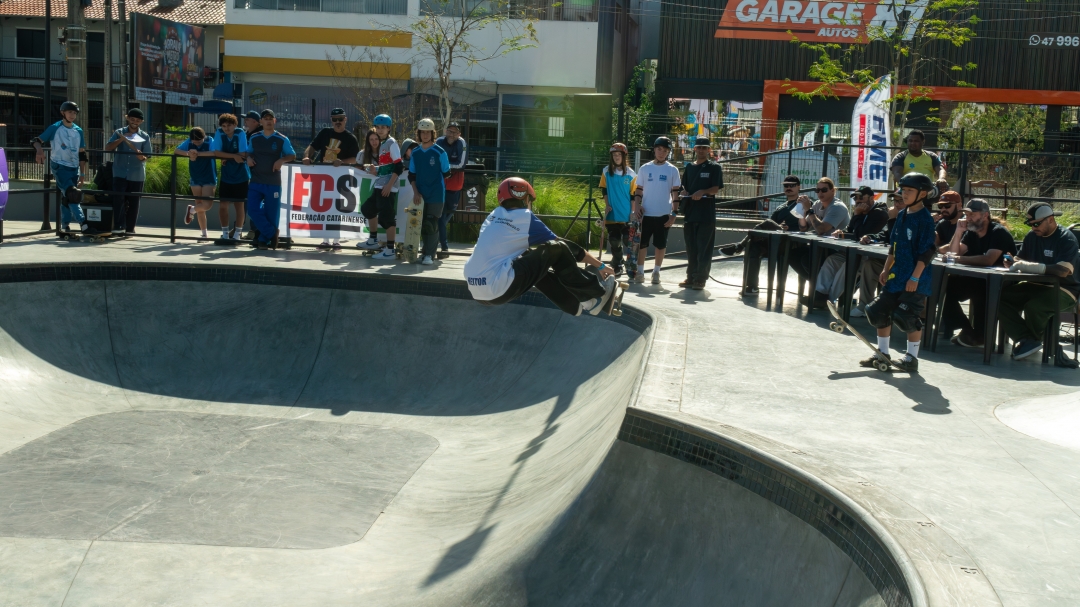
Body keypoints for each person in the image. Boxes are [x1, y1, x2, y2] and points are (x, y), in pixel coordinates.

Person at [464, 177, 617, 316]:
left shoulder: (492, 216)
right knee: (556, 248)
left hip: (476, 289)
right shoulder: (525, 217)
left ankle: (575, 304)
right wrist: (600, 265)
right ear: (525, 199)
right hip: (499, 285)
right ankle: (594, 295)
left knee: (530, 258)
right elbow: (567, 247)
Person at [862, 173, 938, 373]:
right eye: (903, 190)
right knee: (879, 312)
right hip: (896, 275)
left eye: (909, 191)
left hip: (915, 278)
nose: (904, 194)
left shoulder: (925, 220)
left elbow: (927, 252)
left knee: (907, 316)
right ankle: (882, 353)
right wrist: (886, 269)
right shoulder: (902, 215)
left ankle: (911, 357)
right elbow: (893, 247)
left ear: (922, 193)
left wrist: (915, 277)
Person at [1000, 203, 1080, 360]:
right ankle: (1027, 339)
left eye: (1036, 224)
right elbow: (1021, 259)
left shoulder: (1066, 239)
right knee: (999, 298)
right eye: (1030, 224)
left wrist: (1027, 266)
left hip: (1065, 289)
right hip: (1035, 284)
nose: (1033, 227)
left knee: (1035, 306)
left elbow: (1063, 271)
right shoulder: (1032, 236)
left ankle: (1032, 342)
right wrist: (1012, 262)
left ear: (1050, 220)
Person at [941, 198, 1017, 348]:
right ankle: (968, 330)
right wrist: (958, 232)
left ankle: (980, 335)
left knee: (979, 290)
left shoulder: (998, 232)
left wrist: (957, 259)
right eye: (966, 215)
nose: (968, 219)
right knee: (945, 286)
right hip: (977, 279)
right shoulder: (971, 233)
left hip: (1000, 282)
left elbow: (988, 259)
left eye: (972, 215)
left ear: (985, 215)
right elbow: (954, 252)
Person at [722, 175, 803, 295]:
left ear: (798, 187)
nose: (789, 188)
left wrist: (788, 228)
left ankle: (739, 246)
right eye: (786, 185)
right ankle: (752, 287)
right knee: (753, 247)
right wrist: (778, 228)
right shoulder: (781, 207)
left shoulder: (803, 203)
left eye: (792, 185)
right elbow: (769, 227)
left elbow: (806, 225)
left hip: (792, 241)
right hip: (775, 240)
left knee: (767, 222)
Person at [808, 186, 889, 306]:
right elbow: (851, 229)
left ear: (872, 198)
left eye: (861, 197)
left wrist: (857, 214)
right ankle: (819, 294)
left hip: (869, 256)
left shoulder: (879, 213)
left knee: (847, 266)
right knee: (832, 260)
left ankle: (829, 300)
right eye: (856, 198)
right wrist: (841, 232)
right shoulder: (861, 212)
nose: (858, 201)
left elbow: (861, 234)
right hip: (855, 253)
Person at [305, 107, 360, 249]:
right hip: (323, 177)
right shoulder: (325, 133)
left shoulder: (350, 138)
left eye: (340, 119)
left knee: (337, 209)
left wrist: (342, 162)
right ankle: (325, 240)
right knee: (322, 207)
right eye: (334, 120)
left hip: (341, 179)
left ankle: (336, 240)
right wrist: (306, 157)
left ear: (345, 119)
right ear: (331, 120)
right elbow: (312, 147)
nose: (337, 122)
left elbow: (355, 158)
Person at [33, 101, 89, 234]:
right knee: (73, 194)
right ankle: (84, 223)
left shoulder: (78, 130)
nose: (72, 115)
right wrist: (39, 150)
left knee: (67, 197)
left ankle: (64, 225)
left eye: (74, 113)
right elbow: (36, 141)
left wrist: (82, 175)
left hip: (73, 167)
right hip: (59, 166)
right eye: (70, 112)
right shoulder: (55, 128)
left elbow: (82, 154)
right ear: (63, 113)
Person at [632, 136, 681, 284]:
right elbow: (638, 190)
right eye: (659, 149)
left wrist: (673, 213)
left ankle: (656, 272)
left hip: (663, 214)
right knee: (642, 244)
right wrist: (637, 207)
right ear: (654, 149)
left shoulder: (672, 170)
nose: (661, 153)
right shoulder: (645, 168)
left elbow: (675, 194)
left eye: (665, 150)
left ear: (668, 153)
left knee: (661, 245)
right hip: (645, 213)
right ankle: (640, 271)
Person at [245, 109, 296, 250]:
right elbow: (248, 152)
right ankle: (272, 233)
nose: (268, 121)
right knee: (252, 209)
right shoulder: (254, 137)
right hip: (256, 180)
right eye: (265, 118)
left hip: (273, 182)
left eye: (270, 118)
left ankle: (264, 240)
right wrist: (248, 158)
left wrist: (282, 160)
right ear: (261, 121)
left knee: (271, 213)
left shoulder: (282, 139)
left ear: (274, 121)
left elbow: (292, 155)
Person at [679, 136, 723, 289]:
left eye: (705, 147)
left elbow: (715, 188)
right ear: (695, 149)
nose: (702, 150)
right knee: (691, 247)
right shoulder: (689, 167)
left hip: (706, 214)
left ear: (709, 150)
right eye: (699, 147)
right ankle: (691, 277)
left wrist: (703, 191)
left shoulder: (714, 167)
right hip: (690, 213)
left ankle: (700, 279)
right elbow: (683, 187)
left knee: (704, 248)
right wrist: (683, 192)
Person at [356, 114, 402, 259]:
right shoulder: (383, 143)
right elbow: (387, 167)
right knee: (367, 209)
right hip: (379, 184)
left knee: (387, 219)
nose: (380, 130)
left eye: (383, 127)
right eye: (378, 127)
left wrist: (389, 186)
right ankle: (373, 240)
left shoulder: (391, 143)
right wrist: (376, 169)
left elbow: (399, 166)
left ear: (389, 129)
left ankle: (390, 251)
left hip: (387, 187)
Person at [852, 192, 905, 317]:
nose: (897, 204)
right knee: (870, 264)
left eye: (900, 201)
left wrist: (892, 219)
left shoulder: (911, 217)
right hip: (891, 262)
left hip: (907, 266)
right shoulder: (897, 215)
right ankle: (864, 305)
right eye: (895, 201)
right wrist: (870, 237)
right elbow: (884, 234)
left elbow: (895, 240)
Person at [788, 177, 850, 280]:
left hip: (836, 249)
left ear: (832, 191)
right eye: (818, 190)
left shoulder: (837, 207)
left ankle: (818, 289)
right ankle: (816, 286)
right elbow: (804, 228)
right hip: (821, 246)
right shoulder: (817, 204)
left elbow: (822, 229)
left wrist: (810, 210)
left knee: (808, 259)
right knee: (793, 255)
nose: (820, 193)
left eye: (824, 190)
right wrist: (802, 212)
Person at [408, 118, 451, 266]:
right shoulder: (415, 152)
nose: (425, 135)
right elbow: (411, 175)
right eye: (422, 132)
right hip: (419, 193)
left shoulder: (440, 152)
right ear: (418, 134)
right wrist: (415, 192)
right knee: (419, 224)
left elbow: (447, 173)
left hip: (436, 194)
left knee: (431, 224)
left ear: (432, 133)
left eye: (428, 132)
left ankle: (430, 255)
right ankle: (424, 251)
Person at [103, 107, 150, 234]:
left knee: (134, 202)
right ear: (127, 118)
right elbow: (108, 148)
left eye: (138, 120)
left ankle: (130, 229)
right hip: (119, 172)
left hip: (137, 173)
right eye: (132, 119)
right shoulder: (119, 132)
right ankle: (119, 227)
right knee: (118, 199)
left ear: (141, 122)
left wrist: (142, 157)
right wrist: (122, 139)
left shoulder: (144, 136)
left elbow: (147, 156)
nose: (134, 122)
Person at [599, 142, 637, 276]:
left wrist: (633, 212)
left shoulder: (631, 174)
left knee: (628, 240)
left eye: (619, 154)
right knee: (614, 240)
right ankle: (617, 262)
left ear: (624, 156)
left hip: (626, 214)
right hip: (612, 213)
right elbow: (604, 189)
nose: (616, 157)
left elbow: (634, 195)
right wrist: (607, 204)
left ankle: (630, 263)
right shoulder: (606, 172)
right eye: (614, 155)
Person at [211, 113, 249, 241]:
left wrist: (225, 155)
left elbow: (244, 153)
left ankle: (238, 234)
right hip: (226, 176)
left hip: (241, 176)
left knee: (239, 205)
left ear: (235, 125)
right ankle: (225, 234)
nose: (226, 128)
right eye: (224, 126)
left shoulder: (240, 133)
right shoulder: (219, 133)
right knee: (223, 205)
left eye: (229, 125)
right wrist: (233, 156)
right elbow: (216, 152)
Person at [177, 127, 218, 239]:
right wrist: (188, 153)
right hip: (195, 176)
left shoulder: (210, 141)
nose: (196, 143)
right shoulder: (189, 142)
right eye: (194, 142)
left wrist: (198, 153)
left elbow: (214, 152)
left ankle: (192, 210)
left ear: (204, 137)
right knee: (199, 203)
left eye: (199, 141)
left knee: (207, 205)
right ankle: (204, 234)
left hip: (208, 177)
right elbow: (177, 150)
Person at [436, 121, 467, 255]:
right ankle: (444, 246)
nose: (451, 134)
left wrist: (444, 166)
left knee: (446, 216)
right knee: (440, 216)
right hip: (440, 185)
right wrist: (448, 166)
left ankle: (437, 239)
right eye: (449, 131)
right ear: (445, 131)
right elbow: (434, 160)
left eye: (455, 132)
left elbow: (461, 164)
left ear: (459, 134)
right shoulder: (439, 141)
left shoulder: (462, 143)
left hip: (455, 185)